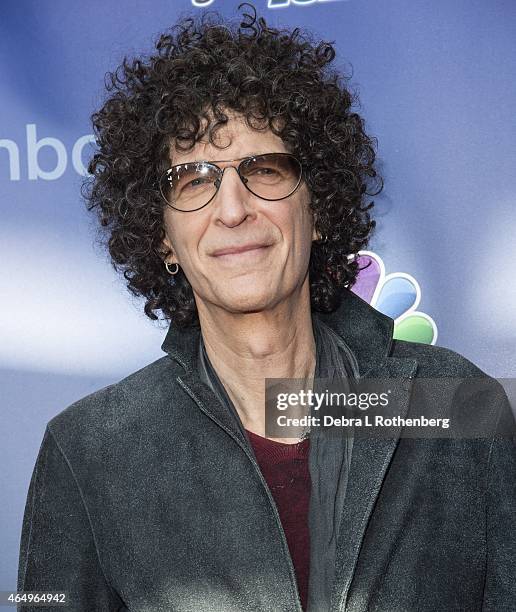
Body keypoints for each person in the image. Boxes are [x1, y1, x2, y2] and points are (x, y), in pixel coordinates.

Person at [17, 4, 516, 611]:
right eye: (195, 180)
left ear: (320, 207)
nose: (232, 209)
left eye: (266, 169)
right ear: (160, 234)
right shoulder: (89, 451)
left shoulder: (453, 404)